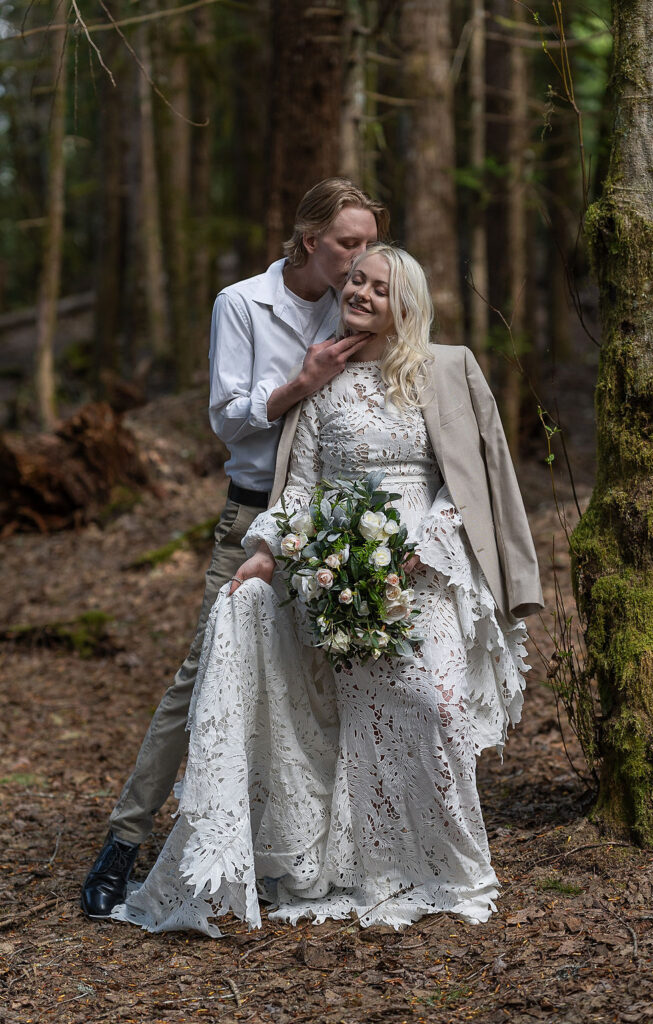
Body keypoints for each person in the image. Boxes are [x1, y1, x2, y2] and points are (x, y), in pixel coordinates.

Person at [110, 243, 544, 935]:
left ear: (406, 306)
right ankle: (356, 862)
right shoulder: (321, 387)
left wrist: (417, 549)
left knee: (433, 706)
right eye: (357, 281)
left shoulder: (446, 370)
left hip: (422, 568)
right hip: (336, 573)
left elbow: (467, 484)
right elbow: (301, 490)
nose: (362, 293)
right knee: (350, 717)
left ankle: (445, 864)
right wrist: (262, 554)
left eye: (379, 287)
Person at [81, 179, 389, 919]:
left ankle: (329, 845)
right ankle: (123, 844)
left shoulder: (360, 301)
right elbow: (227, 421)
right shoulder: (241, 302)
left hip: (331, 525)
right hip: (251, 518)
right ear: (309, 237)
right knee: (199, 683)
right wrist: (300, 384)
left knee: (333, 686)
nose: (359, 259)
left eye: (368, 243)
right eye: (348, 242)